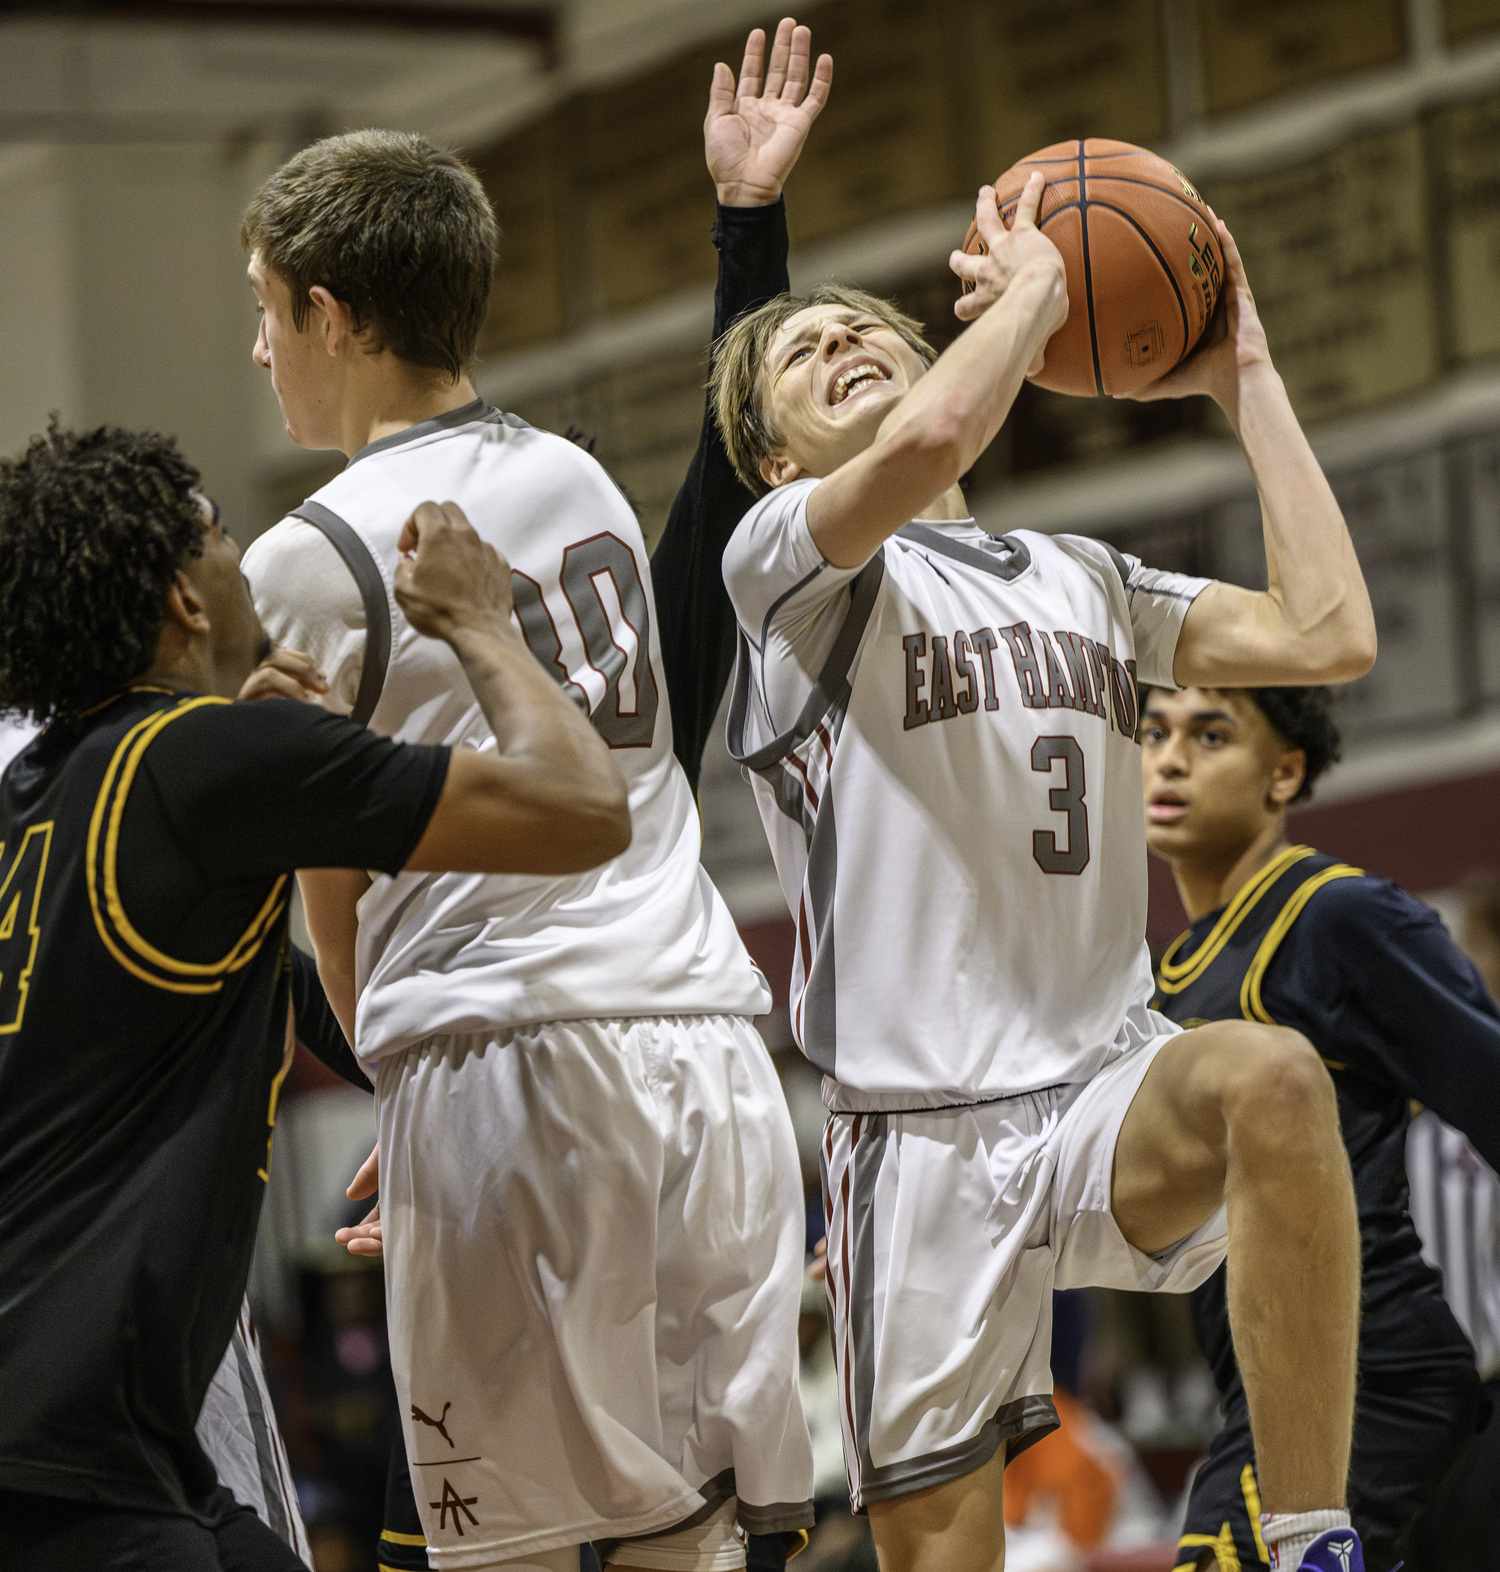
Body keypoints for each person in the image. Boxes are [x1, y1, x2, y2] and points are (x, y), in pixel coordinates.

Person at [709, 153, 1378, 1570]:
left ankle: (1315, 1538)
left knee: (1271, 1076)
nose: (838, 343)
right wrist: (1035, 291)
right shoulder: (783, 565)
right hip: (919, 1134)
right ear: (772, 461)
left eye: (862, 330)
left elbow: (1329, 636)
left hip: (1098, 1085)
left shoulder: (1082, 572)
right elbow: (944, 424)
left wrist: (1244, 371)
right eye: (800, 352)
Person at [238, 95, 817, 1572]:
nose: (259, 353)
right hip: (704, 1046)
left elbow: (326, 884)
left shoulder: (306, 558)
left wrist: (399, 1074)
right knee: (688, 1547)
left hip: (513, 1075)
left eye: (264, 315)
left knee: (503, 1555)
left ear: (330, 312)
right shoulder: (571, 476)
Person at [0, 422, 631, 1569]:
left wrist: (423, 1088)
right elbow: (583, 807)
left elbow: (259, 989)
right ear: (186, 599)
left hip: (100, 1453)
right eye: (223, 532)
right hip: (63, 1476)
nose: (244, 553)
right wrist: (480, 621)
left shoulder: (45, 797)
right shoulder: (199, 763)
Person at [1140, 682, 1500, 1571]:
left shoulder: (1337, 915)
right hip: (1262, 1397)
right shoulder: (1164, 976)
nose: (1171, 757)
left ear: (1282, 772)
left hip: (1369, 1380)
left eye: (1211, 733)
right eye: (1153, 731)